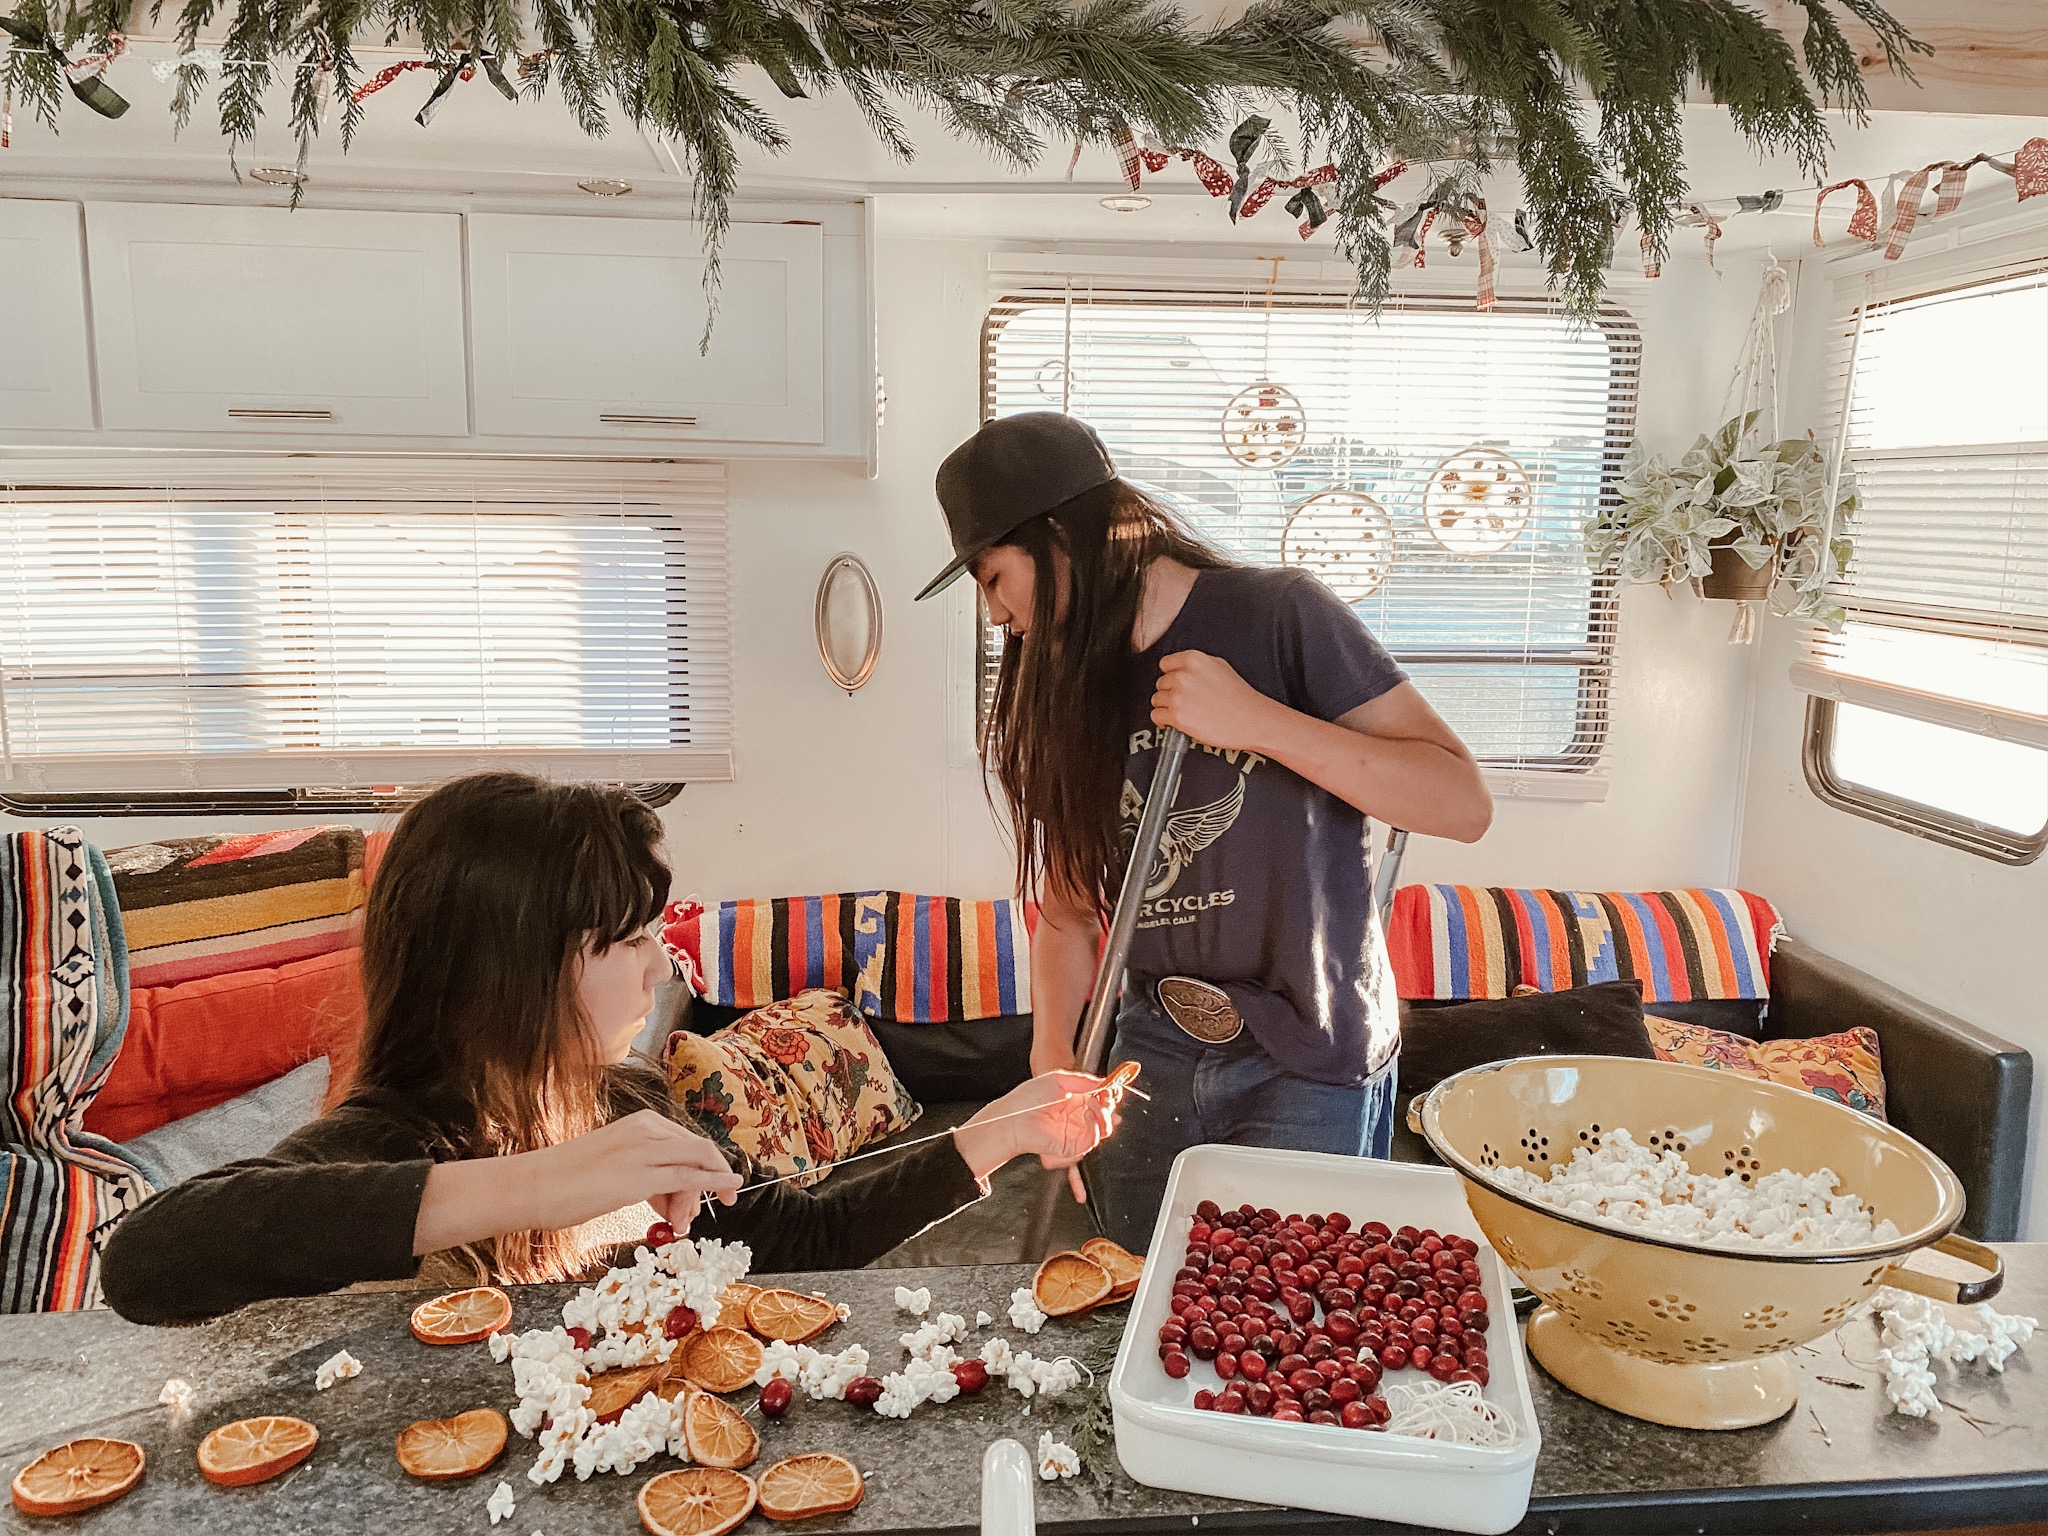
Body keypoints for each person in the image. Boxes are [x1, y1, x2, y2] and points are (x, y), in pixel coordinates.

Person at [99, 772, 1118, 1324]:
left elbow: (798, 1240)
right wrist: (541, 1185)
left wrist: (993, 1134)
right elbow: (149, 1263)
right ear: (515, 966)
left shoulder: (626, 1100)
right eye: (625, 940)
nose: (656, 965)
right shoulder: (389, 1131)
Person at [916, 413, 1492, 1250]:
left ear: (1058, 535)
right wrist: (1053, 1060)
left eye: (996, 576)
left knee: (1294, 1331)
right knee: (1143, 1309)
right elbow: (1073, 912)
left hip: (1311, 1053)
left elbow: (1461, 802)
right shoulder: (1062, 685)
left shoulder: (1279, 618)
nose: (997, 613)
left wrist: (1259, 721)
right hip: (1152, 1056)